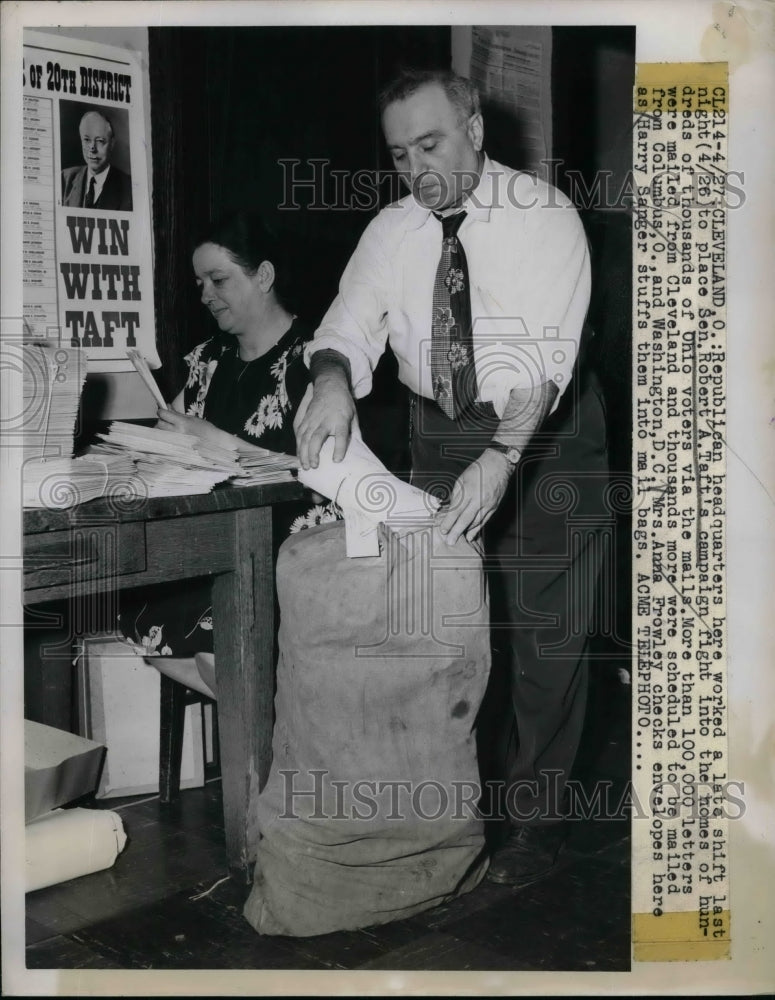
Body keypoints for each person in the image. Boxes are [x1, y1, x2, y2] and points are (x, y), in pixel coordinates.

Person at [294, 68, 609, 887]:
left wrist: (501, 458)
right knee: (449, 628)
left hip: (544, 430)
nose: (416, 167)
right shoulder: (392, 230)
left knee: (546, 633)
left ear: (474, 129)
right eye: (400, 154)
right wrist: (331, 379)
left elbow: (540, 363)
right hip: (437, 426)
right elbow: (345, 325)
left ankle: (538, 824)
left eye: (430, 143)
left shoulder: (544, 217)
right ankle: (452, 814)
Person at [118, 211, 339, 663]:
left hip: (290, 548)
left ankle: (258, 707)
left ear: (264, 276)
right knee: (136, 604)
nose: (206, 296)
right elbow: (171, 433)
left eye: (218, 280)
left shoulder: (316, 359)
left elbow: (322, 477)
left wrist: (218, 442)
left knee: (214, 628)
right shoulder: (208, 359)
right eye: (200, 283)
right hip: (214, 544)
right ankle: (258, 707)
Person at [61, 109, 133, 211]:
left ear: (112, 144)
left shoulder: (129, 187)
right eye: (86, 140)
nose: (92, 148)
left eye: (100, 141)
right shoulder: (64, 179)